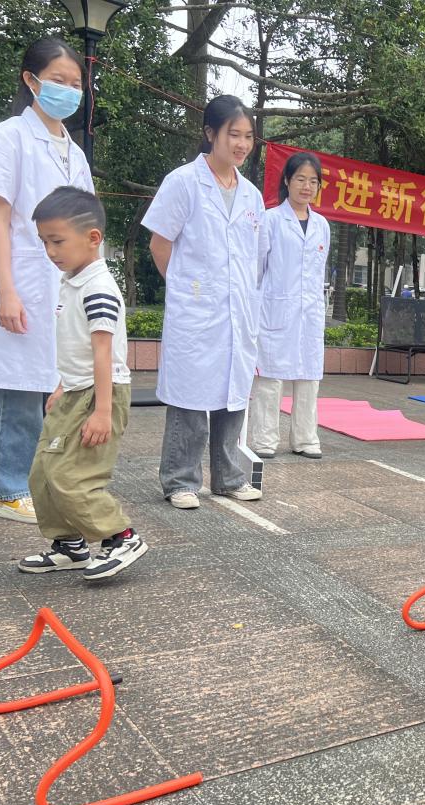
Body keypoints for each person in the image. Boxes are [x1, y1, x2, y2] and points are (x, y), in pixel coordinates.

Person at [0, 36, 93, 524]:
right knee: (17, 386)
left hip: (61, 283)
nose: (69, 91)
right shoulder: (7, 136)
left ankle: (40, 483)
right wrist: (6, 290)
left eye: (76, 84)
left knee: (54, 384)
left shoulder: (75, 153)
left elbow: (86, 226)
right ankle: (7, 490)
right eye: (58, 81)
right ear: (31, 80)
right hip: (21, 275)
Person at [143, 95, 268, 509]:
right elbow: (159, 244)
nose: (242, 144)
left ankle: (229, 478)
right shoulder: (183, 182)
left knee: (233, 395)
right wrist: (186, 289)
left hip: (237, 310)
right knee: (190, 397)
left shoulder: (251, 195)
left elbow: (254, 257)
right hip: (196, 312)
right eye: (234, 134)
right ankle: (180, 479)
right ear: (211, 133)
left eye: (248, 136)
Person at [18, 187, 146, 580]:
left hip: (98, 395)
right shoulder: (72, 280)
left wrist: (103, 411)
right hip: (75, 391)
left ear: (93, 238)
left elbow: (103, 353)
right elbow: (76, 348)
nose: (50, 251)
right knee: (43, 472)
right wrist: (63, 385)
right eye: (44, 242)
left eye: (57, 241)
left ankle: (121, 537)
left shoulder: (98, 288)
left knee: (72, 475)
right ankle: (69, 544)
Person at [248, 151, 331, 460]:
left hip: (310, 313)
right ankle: (264, 439)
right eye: (300, 179)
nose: (307, 187)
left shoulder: (322, 225)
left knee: (309, 377)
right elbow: (257, 270)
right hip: (274, 310)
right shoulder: (270, 220)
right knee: (270, 378)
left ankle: (305, 438)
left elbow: (318, 272)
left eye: (313, 181)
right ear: (287, 181)